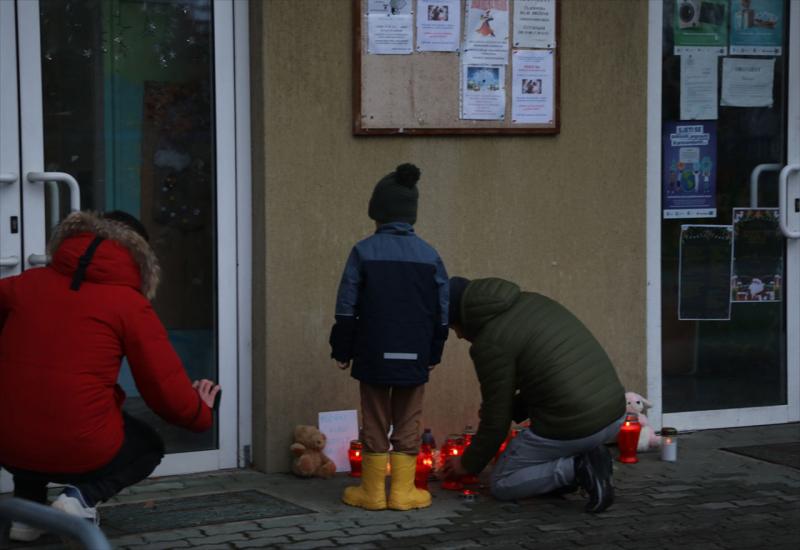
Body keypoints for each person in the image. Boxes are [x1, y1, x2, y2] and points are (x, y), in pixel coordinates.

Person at [0, 210, 220, 541]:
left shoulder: (23, 285)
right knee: (147, 446)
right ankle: (79, 500)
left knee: (30, 416)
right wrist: (200, 413)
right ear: (140, 257)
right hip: (77, 445)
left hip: (7, 442)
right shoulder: (128, 304)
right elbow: (164, 390)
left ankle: (28, 516)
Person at [442, 277, 626, 513]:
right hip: (614, 413)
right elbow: (547, 377)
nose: (457, 335)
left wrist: (467, 464)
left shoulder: (490, 342)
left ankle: (579, 467)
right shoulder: (533, 302)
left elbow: (495, 424)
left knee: (503, 482)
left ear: (463, 318)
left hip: (575, 425)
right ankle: (586, 460)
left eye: (454, 326)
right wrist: (514, 408)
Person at [330, 163, 449, 511]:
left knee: (375, 418)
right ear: (411, 215)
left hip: (372, 352)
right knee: (410, 418)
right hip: (415, 353)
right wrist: (433, 352)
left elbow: (346, 305)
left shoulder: (363, 251)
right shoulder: (430, 256)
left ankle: (372, 492)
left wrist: (343, 348)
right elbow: (442, 312)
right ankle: (402, 492)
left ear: (378, 213)